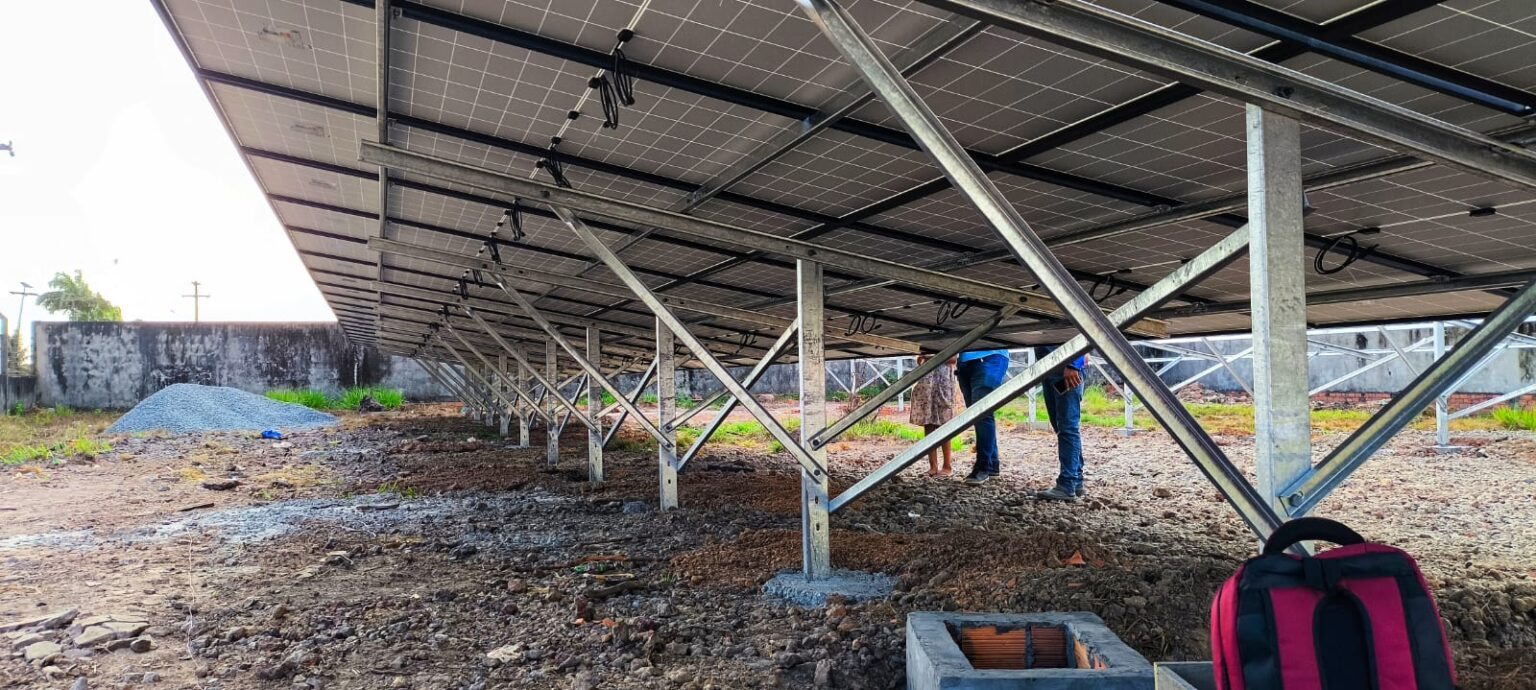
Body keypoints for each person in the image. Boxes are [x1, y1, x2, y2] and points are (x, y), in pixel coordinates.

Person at [1034, 345, 1086, 501]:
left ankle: (1067, 484)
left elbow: (1084, 334)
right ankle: (1075, 481)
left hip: (1065, 371)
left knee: (1067, 427)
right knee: (1061, 426)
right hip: (1051, 369)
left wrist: (1074, 364)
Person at [954, 348, 1010, 485]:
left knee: (982, 413)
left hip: (990, 356)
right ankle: (992, 464)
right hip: (964, 361)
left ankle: (983, 466)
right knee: (978, 415)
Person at [908, 354, 958, 477]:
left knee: (945, 423)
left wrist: (933, 357)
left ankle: (947, 466)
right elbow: (920, 358)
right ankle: (933, 466)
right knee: (928, 423)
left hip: (944, 381)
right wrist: (924, 359)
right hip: (927, 381)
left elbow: (953, 359)